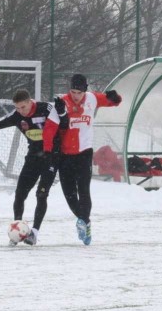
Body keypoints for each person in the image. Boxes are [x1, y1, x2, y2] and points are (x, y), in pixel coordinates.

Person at [43, 74, 122, 246]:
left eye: (79, 92)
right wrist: (48, 153)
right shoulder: (61, 103)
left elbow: (112, 101)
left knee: (84, 189)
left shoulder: (92, 99)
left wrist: (115, 98)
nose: (75, 95)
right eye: (72, 91)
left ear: (85, 90)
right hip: (65, 156)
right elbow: (49, 130)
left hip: (84, 153)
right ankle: (84, 221)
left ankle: (84, 223)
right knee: (69, 194)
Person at [0, 89, 67, 246]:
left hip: (51, 156)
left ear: (30, 102)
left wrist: (62, 112)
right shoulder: (17, 116)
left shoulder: (45, 108)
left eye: (23, 107)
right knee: (20, 193)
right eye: (17, 108)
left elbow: (65, 123)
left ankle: (34, 233)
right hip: (33, 157)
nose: (21, 111)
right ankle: (17, 230)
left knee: (41, 194)